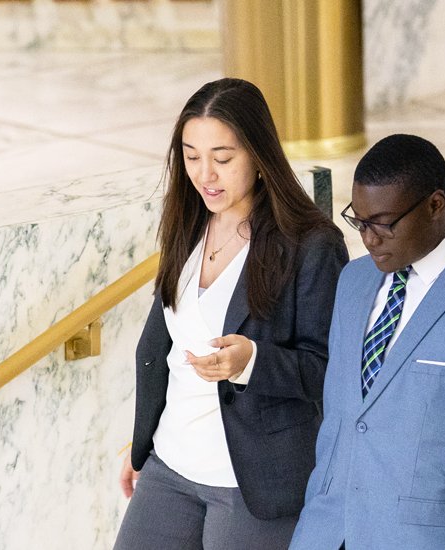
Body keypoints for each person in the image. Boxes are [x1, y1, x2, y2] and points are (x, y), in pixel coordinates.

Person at [115, 78, 348, 550]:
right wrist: (143, 439)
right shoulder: (189, 219)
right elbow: (166, 342)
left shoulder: (311, 244)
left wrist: (253, 362)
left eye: (222, 158)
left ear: (259, 156)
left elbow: (332, 372)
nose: (205, 175)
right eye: (191, 156)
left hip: (251, 482)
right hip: (170, 465)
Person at [288, 134, 445, 550]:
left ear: (435, 204)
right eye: (360, 220)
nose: (369, 238)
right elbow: (340, 426)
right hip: (325, 534)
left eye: (384, 223)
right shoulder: (352, 283)